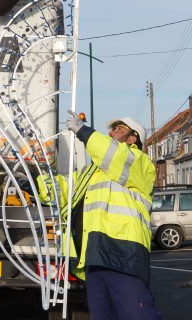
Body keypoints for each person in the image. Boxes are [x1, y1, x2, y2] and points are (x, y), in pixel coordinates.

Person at [39, 110, 163, 320]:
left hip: (124, 254)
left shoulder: (139, 163)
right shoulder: (91, 172)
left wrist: (84, 132)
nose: (111, 132)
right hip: (94, 257)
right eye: (111, 129)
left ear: (133, 138)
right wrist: (40, 172)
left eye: (118, 128)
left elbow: (113, 155)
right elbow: (62, 192)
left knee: (139, 316)